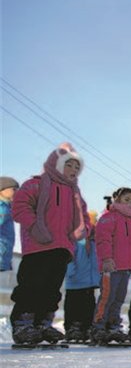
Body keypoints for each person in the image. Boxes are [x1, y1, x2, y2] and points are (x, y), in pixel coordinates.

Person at [9, 143, 90, 345]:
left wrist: (81, 231)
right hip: (38, 246)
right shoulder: (36, 183)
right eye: (69, 165)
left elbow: (84, 218)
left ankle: (43, 323)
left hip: (62, 248)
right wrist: (35, 227)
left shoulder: (75, 193)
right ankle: (23, 322)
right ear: (56, 163)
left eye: (76, 167)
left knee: (52, 288)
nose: (73, 170)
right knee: (32, 284)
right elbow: (20, 206)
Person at [91, 187, 131, 344]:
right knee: (107, 296)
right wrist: (106, 259)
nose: (130, 203)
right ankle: (99, 325)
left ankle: (113, 325)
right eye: (126, 199)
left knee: (119, 297)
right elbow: (103, 239)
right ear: (117, 199)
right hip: (112, 266)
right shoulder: (110, 217)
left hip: (126, 267)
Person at [64, 211, 100, 342]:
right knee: (74, 305)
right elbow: (70, 257)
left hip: (90, 281)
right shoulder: (77, 239)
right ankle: (73, 328)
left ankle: (86, 327)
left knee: (89, 305)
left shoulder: (94, 242)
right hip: (76, 279)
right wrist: (70, 273)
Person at [0, 177, 20, 272]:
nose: (17, 192)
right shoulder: (2, 208)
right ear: (1, 191)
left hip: (4, 257)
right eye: (13, 189)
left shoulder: (7, 208)